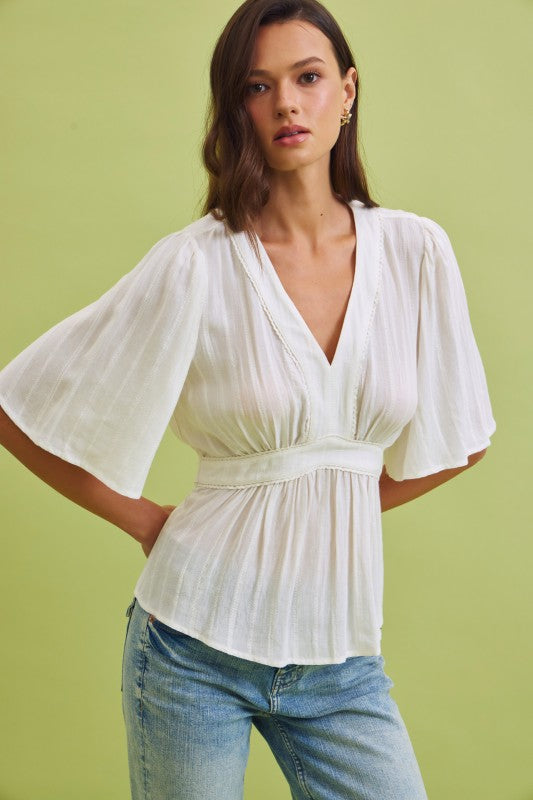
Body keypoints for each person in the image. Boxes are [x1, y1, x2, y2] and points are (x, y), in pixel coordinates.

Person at [0, 0, 497, 798]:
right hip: (191, 648)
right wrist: (149, 521)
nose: (287, 104)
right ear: (238, 109)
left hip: (341, 660)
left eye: (307, 78)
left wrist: (331, 505)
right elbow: (21, 409)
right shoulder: (198, 263)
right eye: (257, 87)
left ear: (348, 91)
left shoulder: (415, 253)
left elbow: (463, 437)